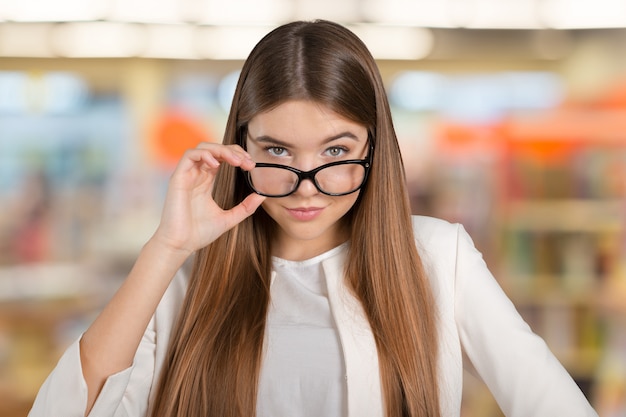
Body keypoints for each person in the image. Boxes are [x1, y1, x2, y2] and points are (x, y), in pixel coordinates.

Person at [29, 20, 598, 417]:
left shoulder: (437, 258)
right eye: (276, 153)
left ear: (374, 149)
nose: (308, 189)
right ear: (239, 147)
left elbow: (554, 405)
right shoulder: (185, 276)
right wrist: (166, 247)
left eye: (334, 153)